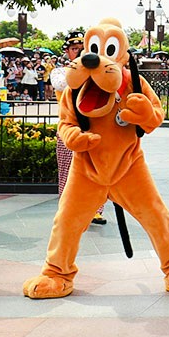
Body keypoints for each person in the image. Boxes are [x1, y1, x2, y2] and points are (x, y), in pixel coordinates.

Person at [50, 35, 105, 226]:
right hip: (70, 129)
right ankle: (68, 210)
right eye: (75, 49)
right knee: (68, 171)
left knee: (96, 171)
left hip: (93, 128)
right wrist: (80, 69)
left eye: (83, 49)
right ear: (67, 51)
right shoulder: (59, 72)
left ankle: (95, 210)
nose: (80, 53)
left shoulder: (97, 72)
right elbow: (61, 84)